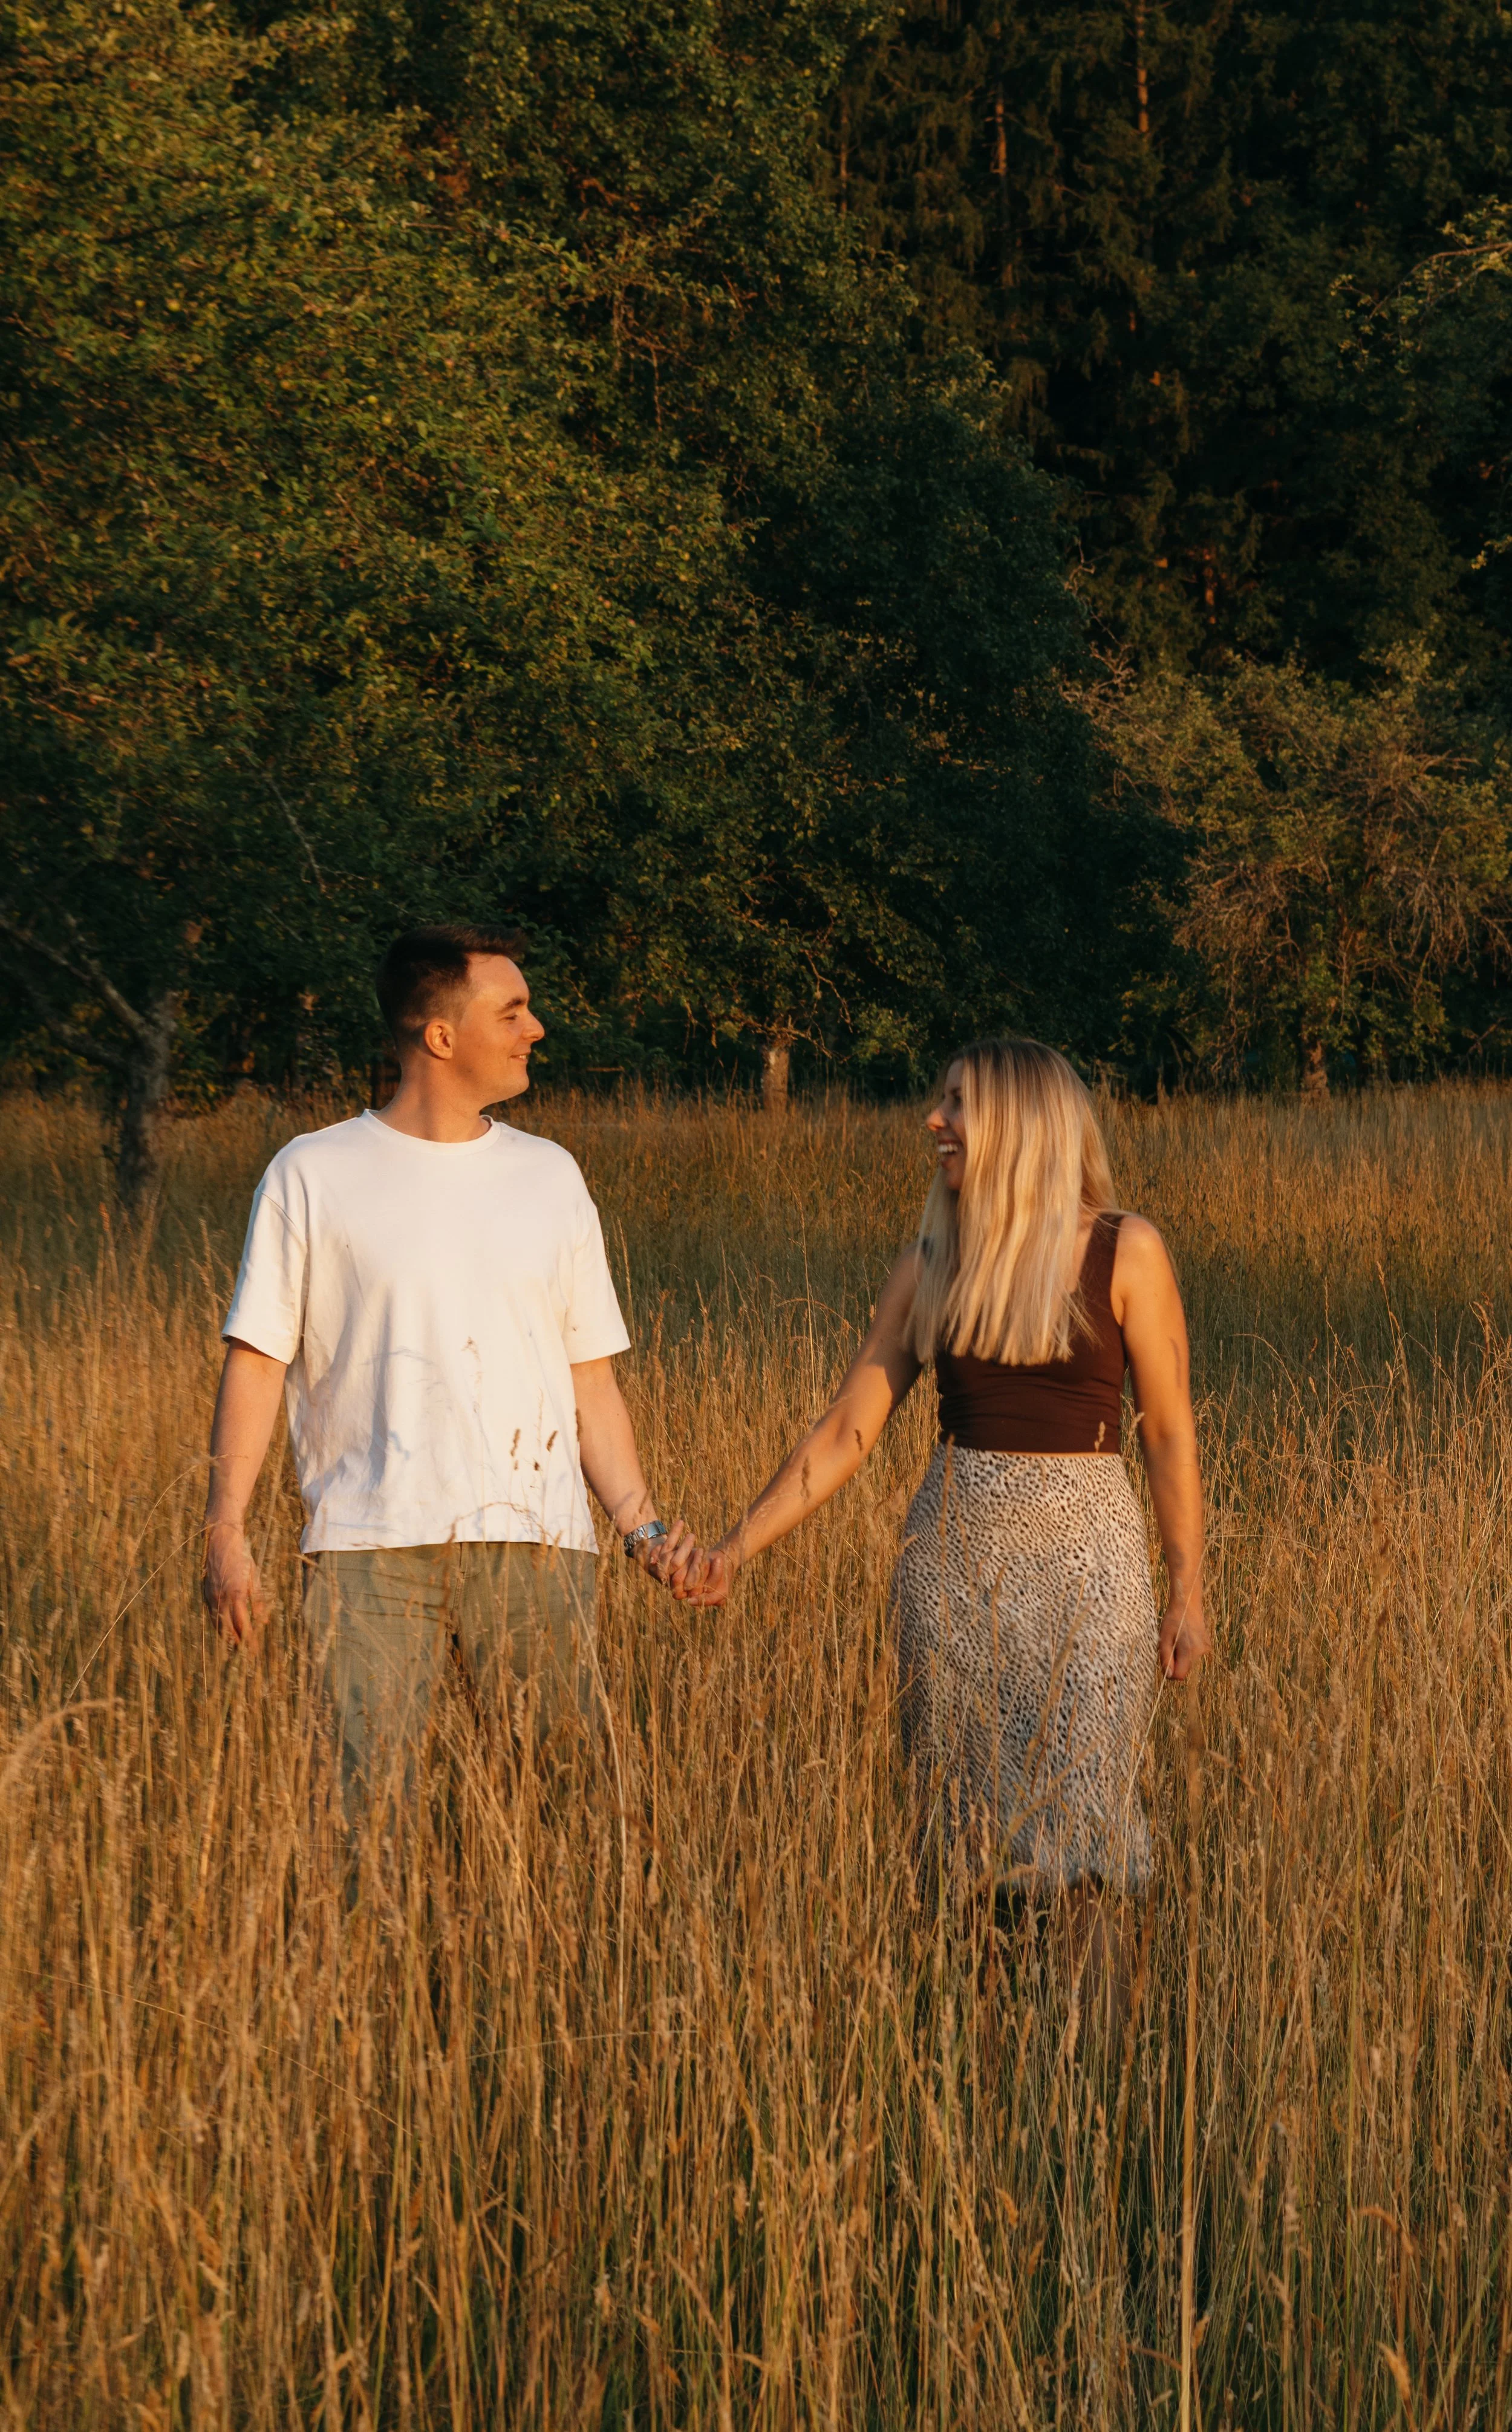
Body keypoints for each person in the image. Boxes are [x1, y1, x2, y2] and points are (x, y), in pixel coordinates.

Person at [674, 1037, 1208, 2012]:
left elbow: (1168, 1432)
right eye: (940, 1102)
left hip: (1093, 1567)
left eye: (957, 1105)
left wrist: (1188, 1592)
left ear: (1019, 1123)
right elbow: (848, 1429)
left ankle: (1092, 2081)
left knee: (1085, 1838)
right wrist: (732, 1549)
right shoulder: (928, 1264)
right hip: (953, 1568)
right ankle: (987, 2076)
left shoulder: (1124, 1248)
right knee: (967, 1842)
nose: (934, 1121)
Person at [202, 924, 692, 1813]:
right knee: (363, 1816)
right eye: (512, 1011)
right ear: (440, 1036)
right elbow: (257, 1363)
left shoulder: (551, 1176)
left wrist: (645, 1531)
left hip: (537, 1553)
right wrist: (224, 1532)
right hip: (367, 1550)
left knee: (566, 1815)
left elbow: (590, 1384)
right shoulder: (310, 1172)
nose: (535, 1028)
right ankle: (374, 1956)